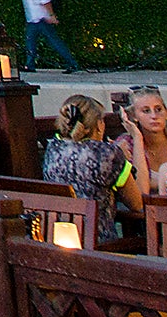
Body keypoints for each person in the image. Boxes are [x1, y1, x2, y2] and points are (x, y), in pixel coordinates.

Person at [42, 94, 142, 242]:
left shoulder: (53, 148)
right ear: (98, 125)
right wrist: (124, 159)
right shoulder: (106, 153)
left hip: (60, 237)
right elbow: (136, 203)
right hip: (98, 242)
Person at [19, 0, 80, 73]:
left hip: (40, 17)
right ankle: (30, 64)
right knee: (30, 41)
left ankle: (72, 63)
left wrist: (51, 15)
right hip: (34, 17)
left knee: (53, 41)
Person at [124, 85, 167, 194]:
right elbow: (141, 192)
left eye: (158, 109)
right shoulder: (126, 146)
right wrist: (137, 139)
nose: (154, 116)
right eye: (146, 111)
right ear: (134, 116)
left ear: (166, 113)